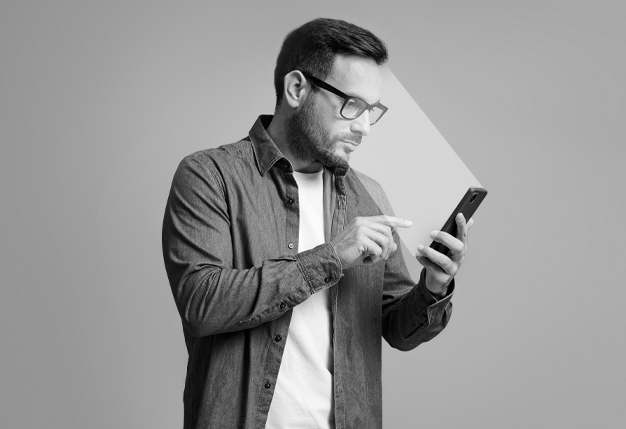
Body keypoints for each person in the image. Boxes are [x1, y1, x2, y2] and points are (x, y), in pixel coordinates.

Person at [162, 17, 472, 429]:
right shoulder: (209, 175)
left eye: (372, 111)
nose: (363, 127)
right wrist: (331, 256)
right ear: (296, 89)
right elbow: (202, 304)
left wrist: (433, 286)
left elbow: (398, 330)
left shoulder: (370, 195)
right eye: (352, 105)